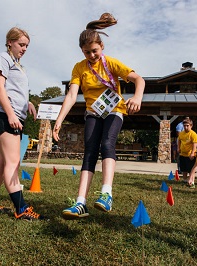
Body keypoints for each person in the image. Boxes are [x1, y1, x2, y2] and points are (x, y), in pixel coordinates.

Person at [53, 13, 145, 220]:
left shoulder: (111, 63)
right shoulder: (79, 68)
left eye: (94, 51)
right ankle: (80, 203)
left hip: (114, 110)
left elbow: (138, 79)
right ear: (82, 51)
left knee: (107, 144)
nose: (92, 56)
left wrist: (137, 97)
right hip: (93, 112)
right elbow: (71, 95)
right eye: (87, 53)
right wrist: (59, 120)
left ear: (101, 46)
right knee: (89, 153)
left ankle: (106, 194)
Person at [0, 27, 43, 220]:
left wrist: (28, 103)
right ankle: (21, 208)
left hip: (13, 115)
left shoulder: (17, 64)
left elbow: (14, 89)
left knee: (4, 163)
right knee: (13, 164)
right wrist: (11, 115)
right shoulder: (3, 58)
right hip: (5, 116)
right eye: (21, 44)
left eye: (26, 46)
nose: (24, 49)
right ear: (9, 42)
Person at [177, 118, 197, 187]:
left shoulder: (193, 134)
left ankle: (192, 181)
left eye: (187, 125)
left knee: (191, 169)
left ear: (191, 126)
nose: (185, 127)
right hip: (183, 154)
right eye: (184, 126)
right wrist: (178, 147)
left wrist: (192, 153)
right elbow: (179, 140)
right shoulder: (181, 134)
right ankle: (185, 180)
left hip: (190, 155)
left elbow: (195, 144)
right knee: (184, 169)